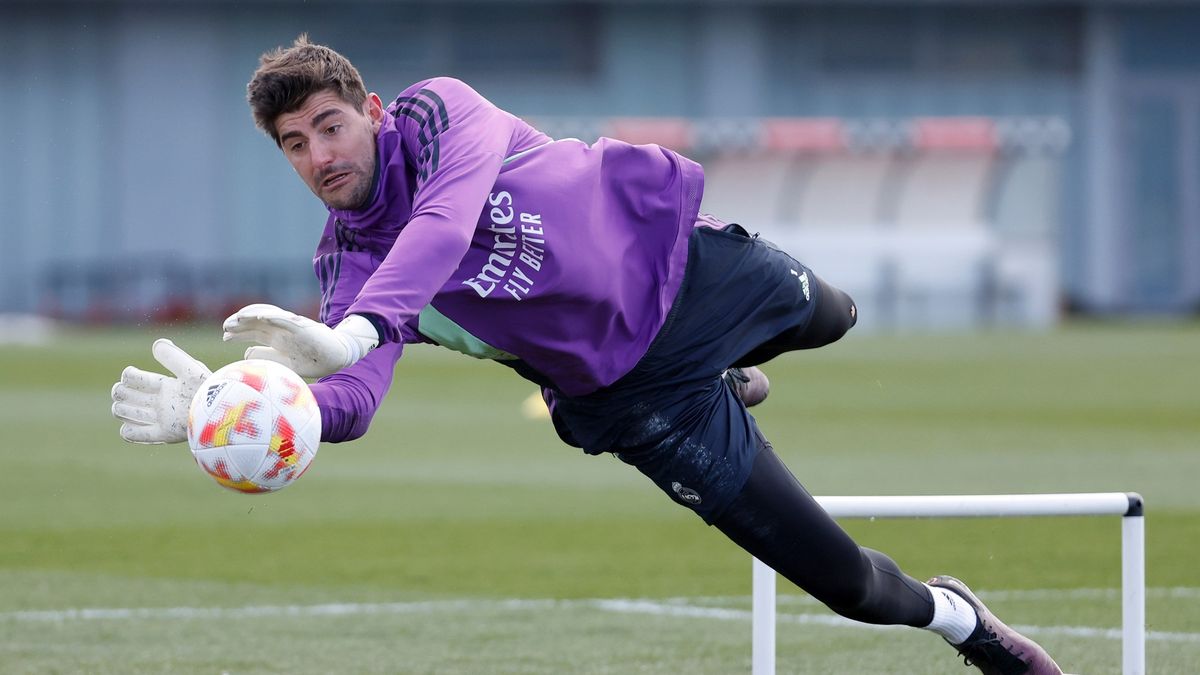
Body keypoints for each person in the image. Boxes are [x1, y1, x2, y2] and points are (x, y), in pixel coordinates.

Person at [110, 36, 1062, 674]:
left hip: (685, 270)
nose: (319, 154)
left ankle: (737, 365)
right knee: (850, 587)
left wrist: (360, 327)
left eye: (329, 125)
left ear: (372, 108)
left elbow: (441, 226)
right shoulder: (346, 267)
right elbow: (357, 392)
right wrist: (255, 402)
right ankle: (969, 625)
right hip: (637, 397)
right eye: (293, 145)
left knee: (839, 316)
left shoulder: (442, 115)